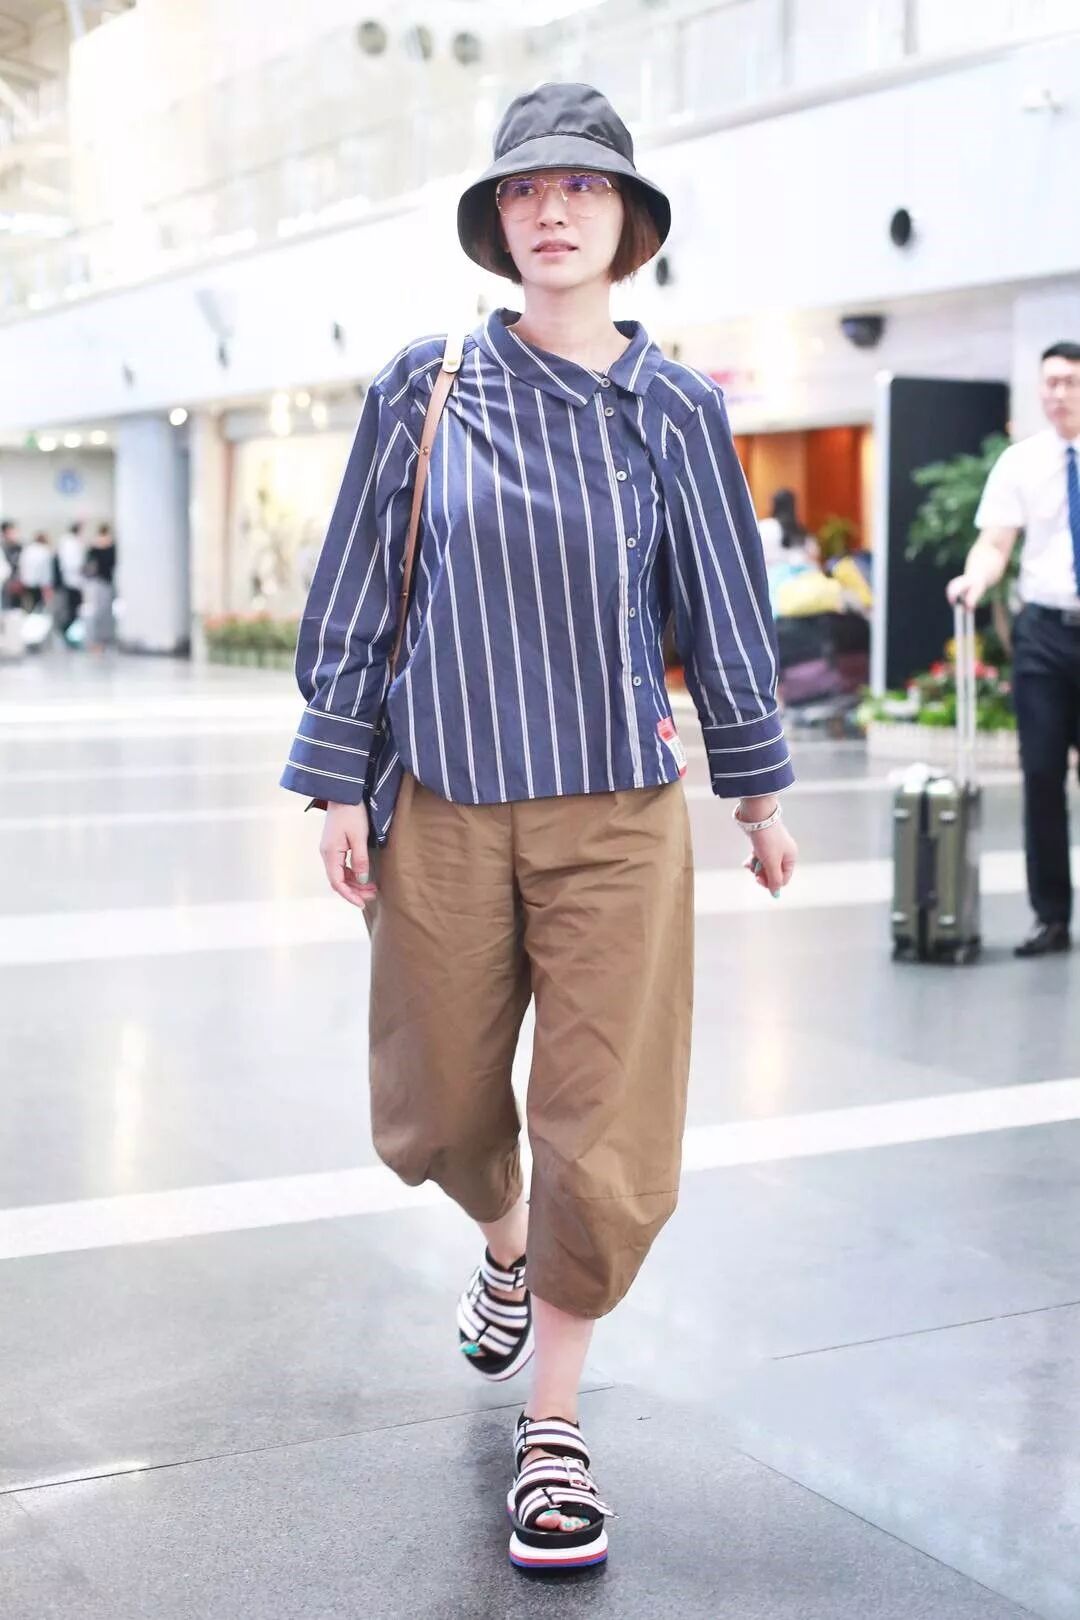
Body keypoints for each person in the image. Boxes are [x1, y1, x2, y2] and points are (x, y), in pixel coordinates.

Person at [280, 81, 798, 1573]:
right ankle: (504, 1244)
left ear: (628, 222)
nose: (552, 209)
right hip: (444, 799)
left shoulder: (675, 407)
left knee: (605, 1125)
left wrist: (758, 791)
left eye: (581, 186)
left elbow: (722, 608)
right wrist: (336, 778)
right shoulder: (425, 387)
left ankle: (555, 1423)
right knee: (438, 1107)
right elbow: (358, 591)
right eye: (524, 188)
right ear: (496, 221)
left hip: (617, 815)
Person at [949, 340, 1080, 958]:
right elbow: (995, 543)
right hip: (1045, 635)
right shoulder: (1021, 463)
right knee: (1042, 774)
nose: (1059, 393)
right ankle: (1050, 916)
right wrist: (976, 578)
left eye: (1071, 381)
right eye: (1050, 382)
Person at [758, 488, 821, 568]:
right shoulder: (801, 530)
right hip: (803, 573)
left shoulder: (764, 527)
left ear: (773, 505)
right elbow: (814, 555)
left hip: (771, 573)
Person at [83, 522, 117, 654]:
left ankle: (99, 641)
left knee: (101, 612)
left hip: (97, 583)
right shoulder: (107, 547)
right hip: (101, 582)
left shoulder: (94, 547)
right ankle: (98, 641)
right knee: (101, 612)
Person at [57, 520, 87, 639]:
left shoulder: (69, 542)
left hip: (73, 580)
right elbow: (73, 563)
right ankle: (67, 631)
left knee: (74, 608)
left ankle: (69, 631)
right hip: (72, 580)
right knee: (73, 609)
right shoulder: (70, 543)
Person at [17, 530, 54, 613]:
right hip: (39, 584)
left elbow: (21, 565)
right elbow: (45, 571)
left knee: (27, 606)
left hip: (26, 582)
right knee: (38, 608)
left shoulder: (27, 550)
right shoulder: (44, 551)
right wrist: (47, 586)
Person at [1, 519, 22, 610]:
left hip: (18, 583)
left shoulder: (20, 547)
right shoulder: (3, 548)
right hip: (6, 584)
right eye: (10, 532)